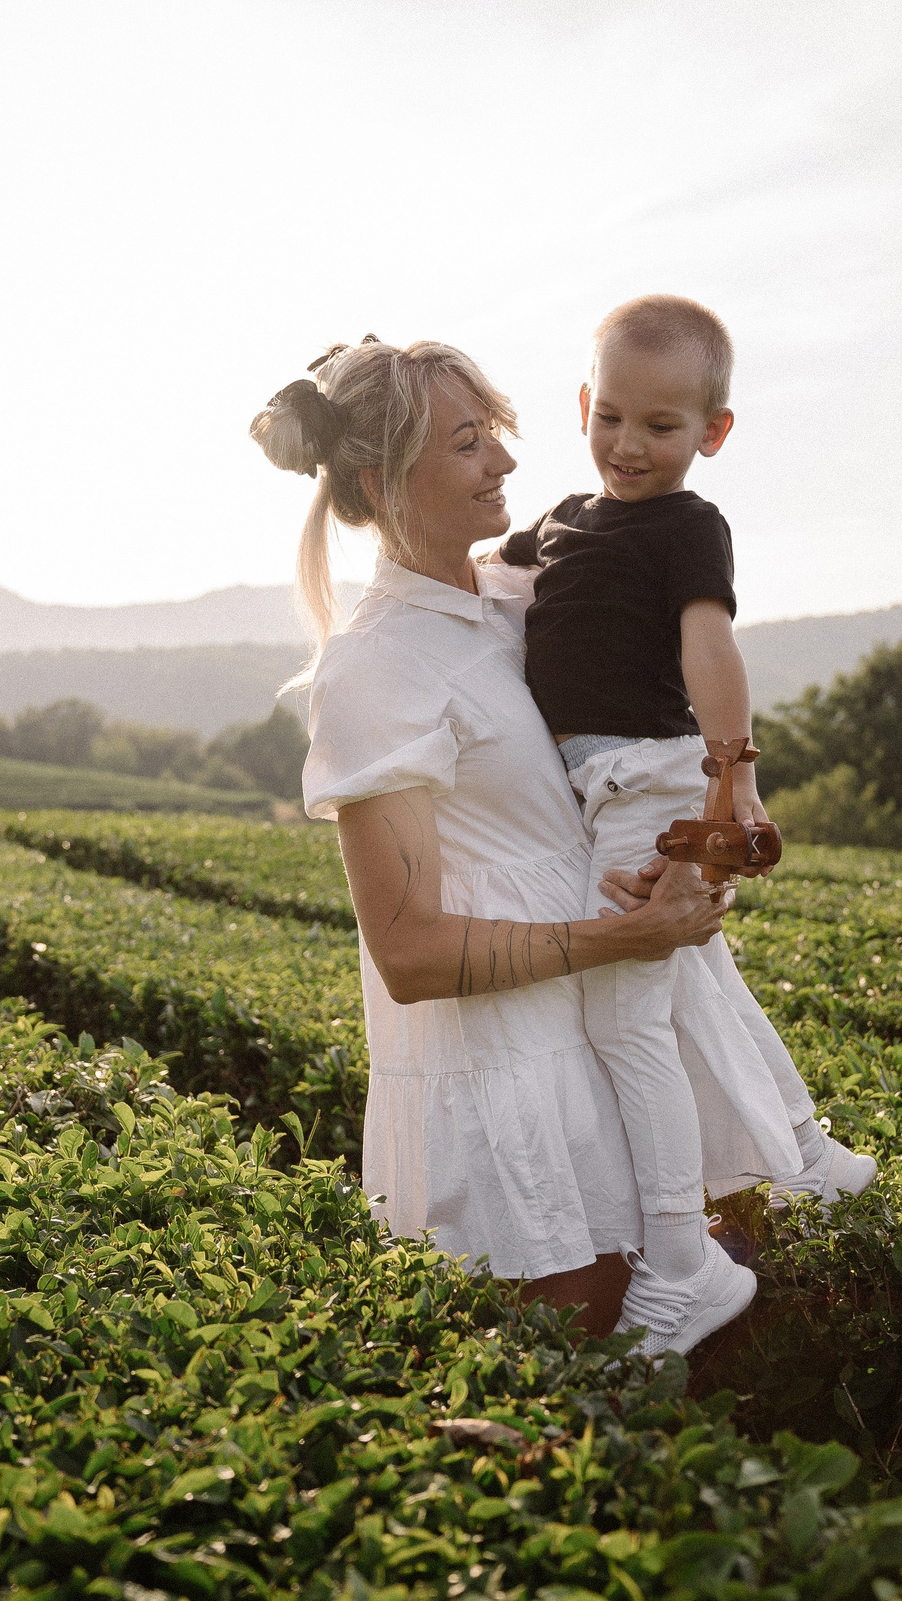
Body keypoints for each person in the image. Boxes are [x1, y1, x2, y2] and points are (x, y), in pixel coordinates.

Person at [249, 334, 734, 1336]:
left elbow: (618, 786)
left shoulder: (520, 601)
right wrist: (618, 939)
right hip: (518, 1084)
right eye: (470, 443)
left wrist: (685, 866)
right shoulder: (375, 666)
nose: (506, 462)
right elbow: (410, 954)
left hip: (614, 1033)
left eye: (498, 434)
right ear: (384, 482)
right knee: (577, 1394)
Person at [496, 295, 878, 1353]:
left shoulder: (685, 525)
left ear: (711, 434)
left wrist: (733, 777)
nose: (628, 446)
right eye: (610, 416)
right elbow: (485, 586)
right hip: (601, 790)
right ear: (583, 403)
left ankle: (680, 1265)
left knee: (625, 1019)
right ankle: (811, 1160)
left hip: (651, 783)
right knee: (692, 984)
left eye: (661, 428)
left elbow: (709, 649)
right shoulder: (565, 519)